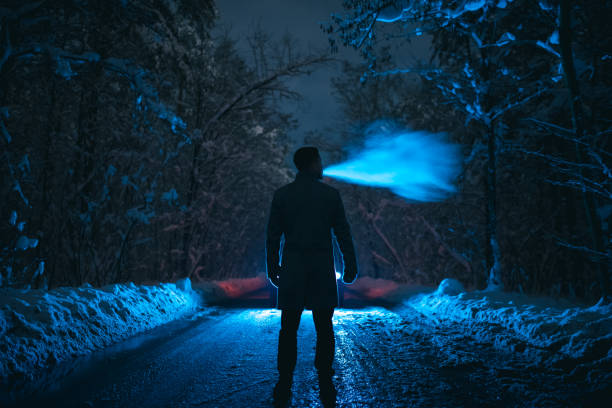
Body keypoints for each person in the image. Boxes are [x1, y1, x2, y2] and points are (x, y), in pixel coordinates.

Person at [266, 146, 358, 407]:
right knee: (324, 326)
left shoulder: (282, 195)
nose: (322, 165)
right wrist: (350, 264)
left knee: (289, 327)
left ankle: (285, 379)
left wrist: (273, 268)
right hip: (321, 269)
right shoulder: (330, 195)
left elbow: (272, 237)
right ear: (313, 163)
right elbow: (343, 233)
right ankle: (325, 377)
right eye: (319, 161)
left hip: (293, 268)